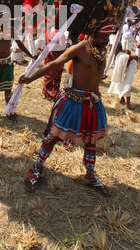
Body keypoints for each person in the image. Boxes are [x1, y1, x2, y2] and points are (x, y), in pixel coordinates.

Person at [19, 24, 115, 197]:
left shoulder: (101, 49)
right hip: (72, 102)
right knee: (53, 137)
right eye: (103, 36)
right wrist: (30, 78)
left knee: (91, 140)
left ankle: (90, 175)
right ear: (92, 32)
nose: (107, 39)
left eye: (109, 36)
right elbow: (55, 64)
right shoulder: (79, 48)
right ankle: (37, 167)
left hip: (92, 102)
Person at [108, 43, 138, 110]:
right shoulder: (118, 55)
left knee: (127, 85)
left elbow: (133, 57)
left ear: (117, 49)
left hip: (129, 69)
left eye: (113, 49)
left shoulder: (122, 55)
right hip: (124, 71)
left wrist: (133, 57)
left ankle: (128, 104)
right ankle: (122, 99)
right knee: (121, 83)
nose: (112, 51)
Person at [42, 27, 66, 101]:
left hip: (49, 56)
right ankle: (52, 93)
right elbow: (62, 47)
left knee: (48, 75)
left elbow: (46, 43)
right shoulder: (61, 34)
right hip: (57, 58)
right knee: (55, 76)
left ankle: (46, 92)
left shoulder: (48, 31)